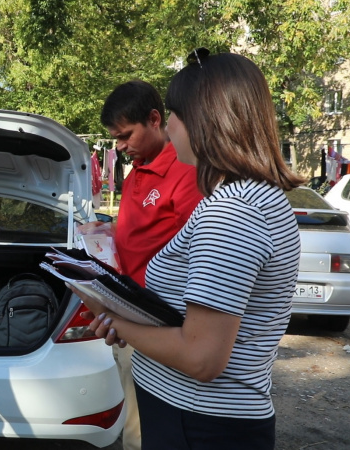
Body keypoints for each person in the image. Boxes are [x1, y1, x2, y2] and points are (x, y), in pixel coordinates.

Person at [82, 49, 304, 450]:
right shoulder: (251, 198)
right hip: (197, 414)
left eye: (174, 113)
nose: (168, 124)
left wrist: (115, 320)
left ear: (204, 120)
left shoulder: (233, 213)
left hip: (199, 419)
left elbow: (202, 357)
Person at [83, 80, 202, 450]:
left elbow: (197, 246)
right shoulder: (136, 171)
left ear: (155, 120)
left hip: (158, 319)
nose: (119, 146)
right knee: (132, 415)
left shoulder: (185, 173)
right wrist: (107, 229)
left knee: (142, 431)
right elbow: (141, 229)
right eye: (115, 138)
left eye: (125, 135)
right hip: (128, 314)